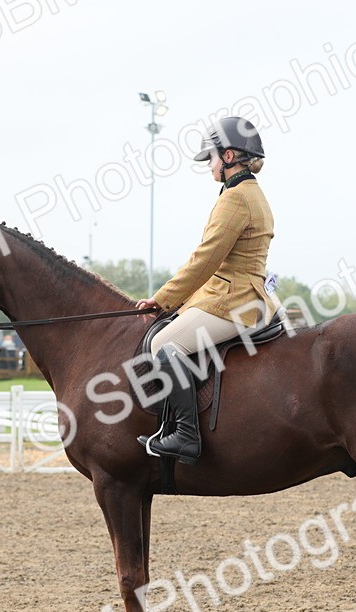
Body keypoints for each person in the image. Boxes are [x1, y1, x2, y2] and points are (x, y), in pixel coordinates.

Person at [133, 117, 277, 465]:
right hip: (239, 294)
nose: (209, 165)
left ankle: (185, 435)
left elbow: (205, 259)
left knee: (163, 343)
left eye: (211, 157)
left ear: (229, 156)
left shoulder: (236, 199)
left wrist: (164, 299)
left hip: (235, 300)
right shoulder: (248, 193)